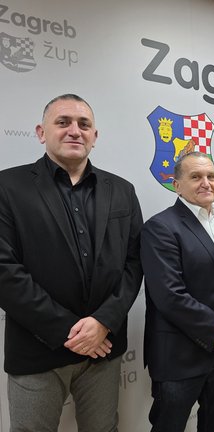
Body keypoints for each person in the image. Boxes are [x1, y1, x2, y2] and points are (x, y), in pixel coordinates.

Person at [0, 94, 143, 431]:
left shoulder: (122, 190)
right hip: (37, 349)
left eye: (84, 124)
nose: (75, 131)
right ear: (41, 132)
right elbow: (4, 270)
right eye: (63, 122)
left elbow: (135, 262)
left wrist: (103, 322)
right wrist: (72, 331)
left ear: (95, 136)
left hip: (104, 349)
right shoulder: (7, 186)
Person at [141, 152, 214, 432]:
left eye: (211, 176)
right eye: (196, 177)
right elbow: (170, 295)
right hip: (180, 356)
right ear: (177, 185)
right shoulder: (160, 227)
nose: (206, 183)